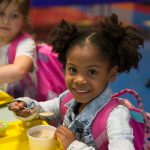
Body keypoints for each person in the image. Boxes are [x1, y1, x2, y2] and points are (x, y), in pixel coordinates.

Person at [8, 14, 144, 150]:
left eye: (92, 72)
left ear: (111, 74)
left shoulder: (115, 116)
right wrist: (26, 107)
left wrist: (73, 145)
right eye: (73, 69)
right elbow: (44, 109)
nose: (79, 80)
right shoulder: (68, 97)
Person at [0, 0, 37, 98]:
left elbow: (20, 70)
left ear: (24, 20)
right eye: (1, 14)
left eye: (14, 16)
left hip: (20, 108)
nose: (5, 21)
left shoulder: (26, 43)